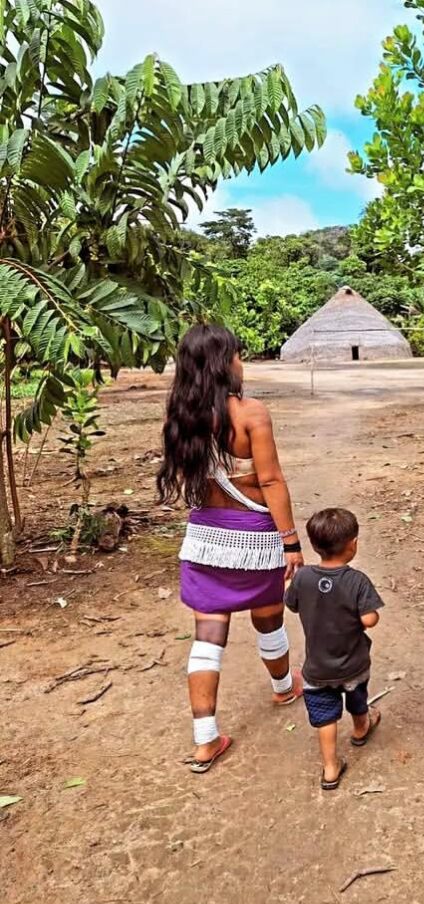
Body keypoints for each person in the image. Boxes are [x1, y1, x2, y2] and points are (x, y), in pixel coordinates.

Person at [157, 325, 304, 774]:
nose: (242, 363)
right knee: (268, 616)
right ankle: (282, 687)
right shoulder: (251, 414)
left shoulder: (182, 415)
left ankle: (205, 739)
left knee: (207, 638)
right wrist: (291, 541)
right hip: (255, 539)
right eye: (238, 356)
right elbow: (271, 480)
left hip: (206, 538)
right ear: (224, 363)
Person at [285, 508, 383, 790]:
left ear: (315, 546)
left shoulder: (303, 578)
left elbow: (291, 604)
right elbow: (369, 619)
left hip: (317, 669)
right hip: (353, 663)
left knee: (325, 716)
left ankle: (330, 768)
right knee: (356, 698)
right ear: (353, 545)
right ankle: (361, 728)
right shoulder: (357, 581)